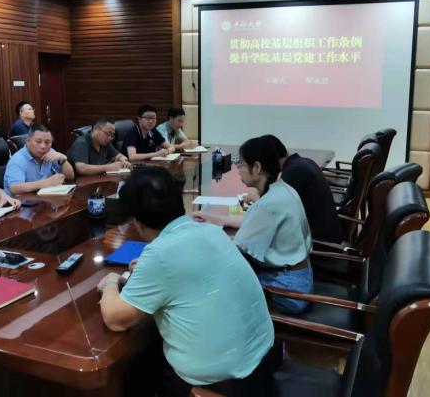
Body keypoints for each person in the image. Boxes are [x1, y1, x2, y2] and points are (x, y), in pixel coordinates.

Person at [97, 167, 277, 396]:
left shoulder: (160, 255)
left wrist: (111, 282)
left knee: (135, 371)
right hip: (262, 366)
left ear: (137, 221)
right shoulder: (210, 231)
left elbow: (115, 320)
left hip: (218, 385)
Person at [190, 136, 313, 314]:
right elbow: (251, 221)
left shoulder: (269, 204)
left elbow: (235, 249)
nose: (237, 169)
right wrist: (213, 219)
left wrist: (197, 242)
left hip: (286, 289)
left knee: (210, 292)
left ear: (256, 168)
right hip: (299, 277)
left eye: (240, 164)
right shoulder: (283, 189)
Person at [264, 134, 346, 243]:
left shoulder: (293, 173)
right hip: (328, 236)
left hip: (319, 244)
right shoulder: (303, 162)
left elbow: (271, 212)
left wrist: (256, 195)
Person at [3, 124, 75, 195]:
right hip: (22, 202)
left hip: (44, 199)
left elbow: (70, 177)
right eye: (38, 141)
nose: (43, 146)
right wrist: (47, 183)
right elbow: (15, 188)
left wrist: (62, 159)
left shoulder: (50, 153)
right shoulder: (17, 160)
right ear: (28, 141)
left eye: (47, 142)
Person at [66, 117, 132, 176]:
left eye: (112, 135)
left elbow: (120, 156)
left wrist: (124, 161)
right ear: (96, 129)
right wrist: (109, 167)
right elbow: (81, 169)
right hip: (80, 182)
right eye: (108, 133)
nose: (109, 138)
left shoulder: (105, 142)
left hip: (97, 179)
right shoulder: (81, 143)